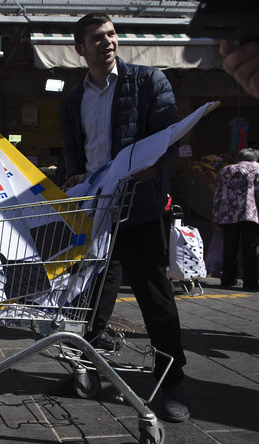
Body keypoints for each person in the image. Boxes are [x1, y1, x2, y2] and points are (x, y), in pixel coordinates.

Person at [59, 13, 189, 422]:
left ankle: (171, 383)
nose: (108, 42)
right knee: (94, 295)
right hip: (97, 209)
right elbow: (72, 152)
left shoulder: (148, 81)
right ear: (81, 49)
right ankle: (91, 368)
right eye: (97, 38)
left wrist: (155, 165)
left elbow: (168, 133)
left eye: (112, 35)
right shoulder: (73, 98)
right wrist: (74, 176)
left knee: (155, 296)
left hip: (139, 205)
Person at [212, 148, 259, 291]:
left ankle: (227, 279)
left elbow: (218, 195)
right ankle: (250, 282)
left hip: (228, 215)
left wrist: (216, 216)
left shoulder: (226, 170)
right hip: (250, 215)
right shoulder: (257, 170)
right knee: (250, 249)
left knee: (230, 248)